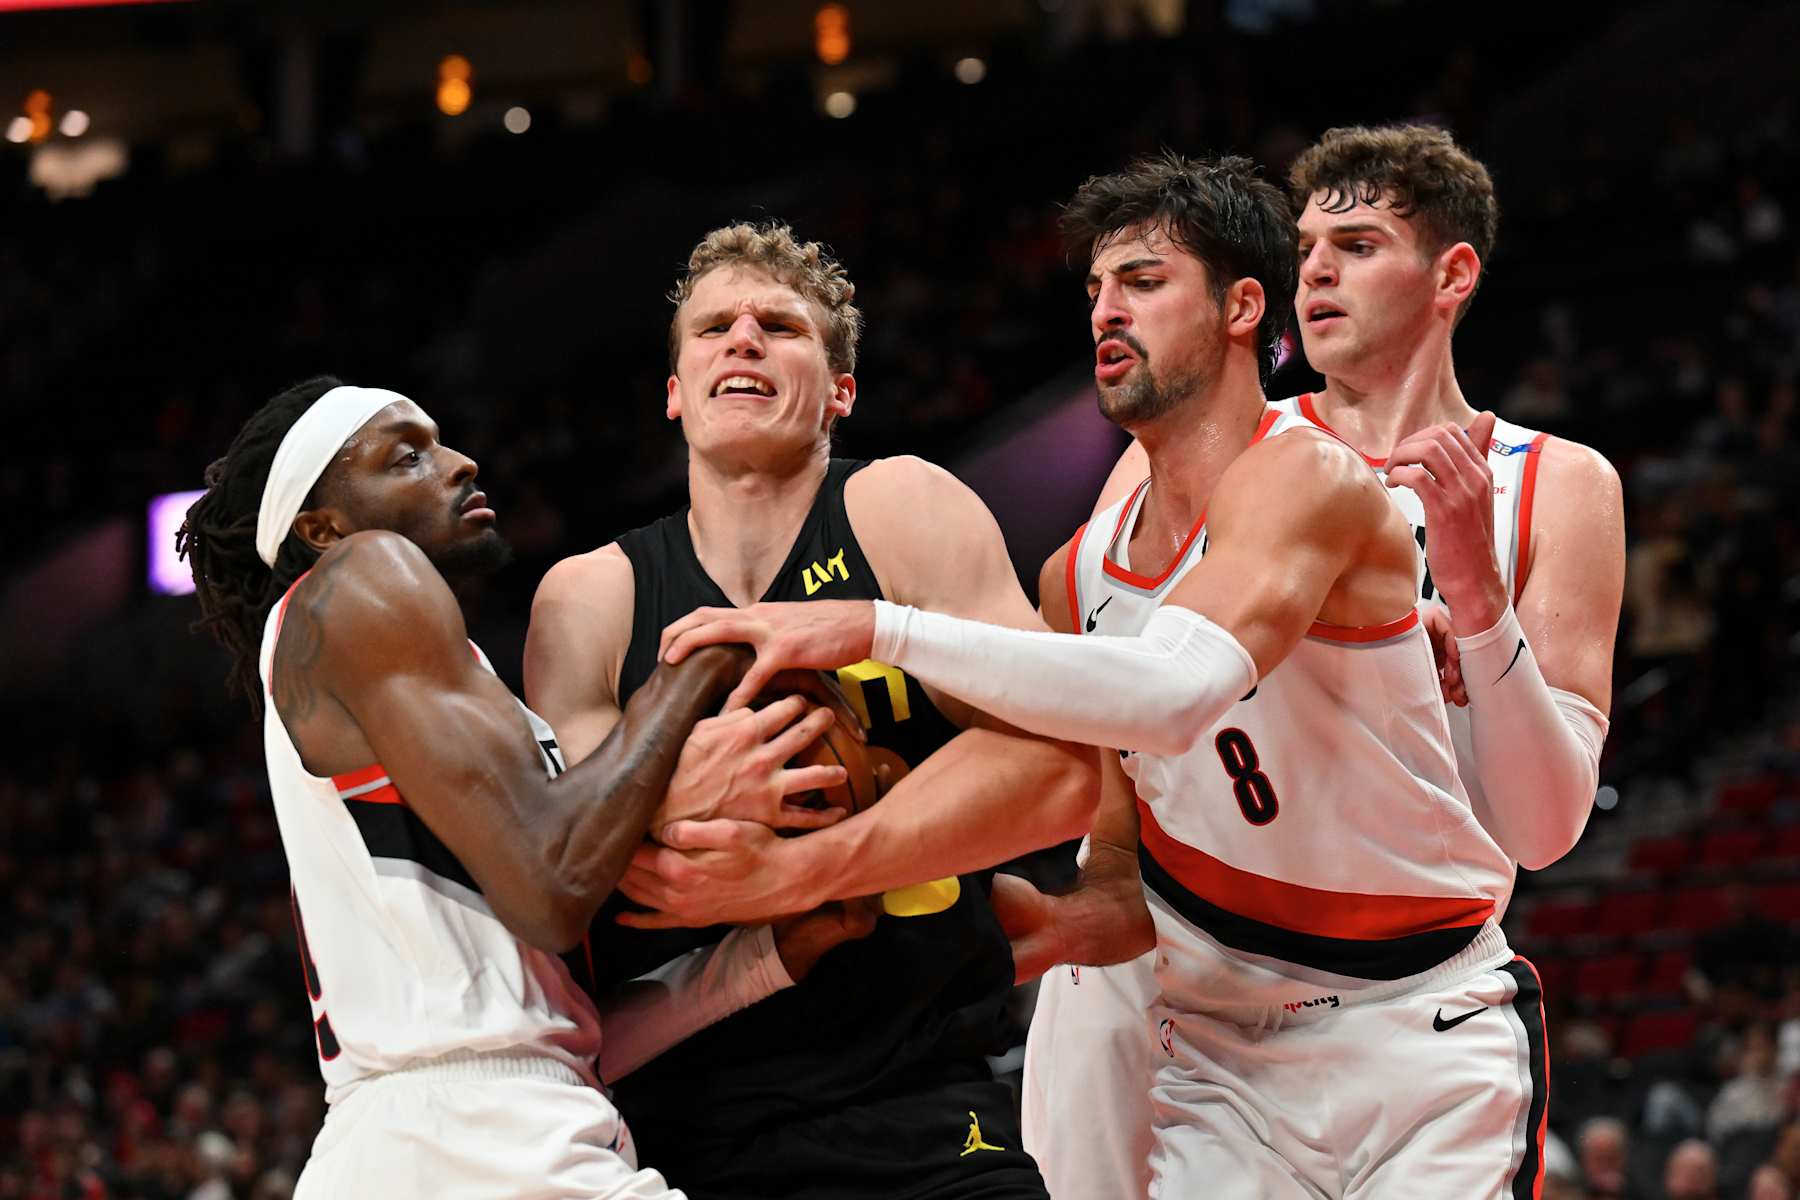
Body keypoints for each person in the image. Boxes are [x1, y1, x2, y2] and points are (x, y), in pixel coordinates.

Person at [660, 154, 1549, 1198]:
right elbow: (1127, 869)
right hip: (1223, 1062)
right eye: (1094, 288)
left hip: (1416, 1027)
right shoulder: (1074, 576)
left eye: (1143, 280)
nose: (1105, 310)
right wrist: (1051, 927)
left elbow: (1172, 692)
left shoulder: (1306, 475)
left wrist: (878, 625)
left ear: (1241, 307)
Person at [1022, 122, 1626, 1198]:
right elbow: (1120, 725)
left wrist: (1479, 613)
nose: (1316, 273)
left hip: (1407, 983)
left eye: (1355, 246)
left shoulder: (1557, 482)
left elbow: (1543, 829)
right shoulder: (1200, 449)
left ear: (1452, 276)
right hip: (1205, 990)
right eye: (1304, 250)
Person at [178, 377, 868, 1199]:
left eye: (440, 441)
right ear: (323, 529)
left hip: (428, 1145)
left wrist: (762, 958)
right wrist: (703, 659)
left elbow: (542, 1032)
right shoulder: (362, 576)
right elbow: (554, 885)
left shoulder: (399, 676)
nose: (460, 463)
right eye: (407, 458)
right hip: (478, 1146)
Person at [525, 223, 1096, 1199]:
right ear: (674, 392)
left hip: (924, 1097)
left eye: (780, 327)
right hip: (677, 1127)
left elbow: (1064, 768)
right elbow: (561, 879)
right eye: (713, 329)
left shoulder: (900, 507)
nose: (743, 339)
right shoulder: (591, 596)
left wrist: (802, 864)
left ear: (841, 391)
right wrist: (674, 800)